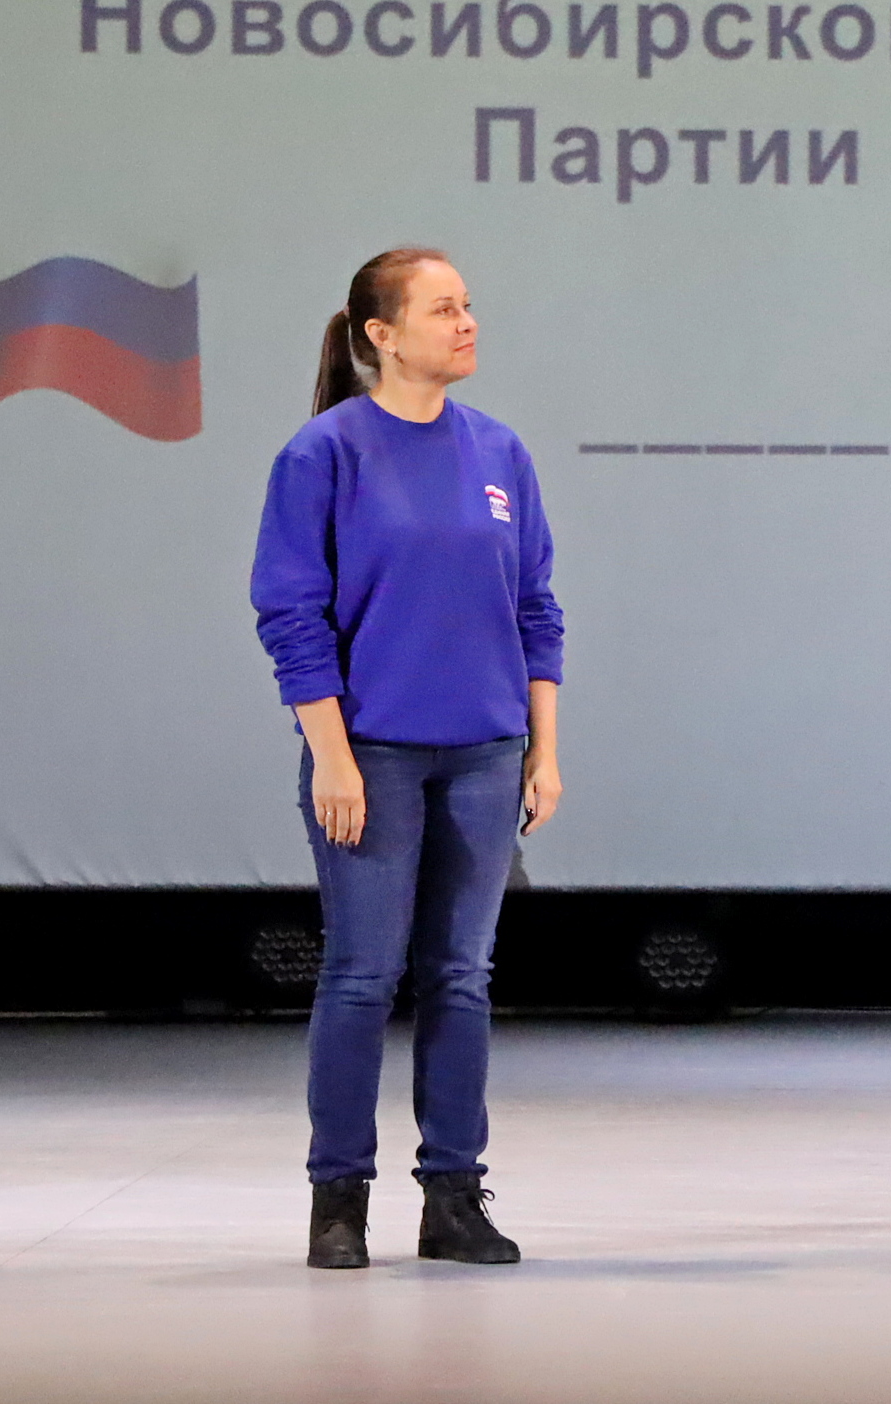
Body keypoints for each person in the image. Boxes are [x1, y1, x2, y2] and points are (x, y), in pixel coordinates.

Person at [251, 249, 564, 1270]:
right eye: (442, 309)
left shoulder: (499, 451)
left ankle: (454, 1196)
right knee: (361, 974)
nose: (466, 323)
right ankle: (338, 1200)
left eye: (468, 305)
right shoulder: (324, 455)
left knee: (461, 978)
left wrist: (543, 749)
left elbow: (535, 609)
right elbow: (291, 615)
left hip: (485, 753)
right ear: (380, 335)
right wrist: (331, 758)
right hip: (372, 757)